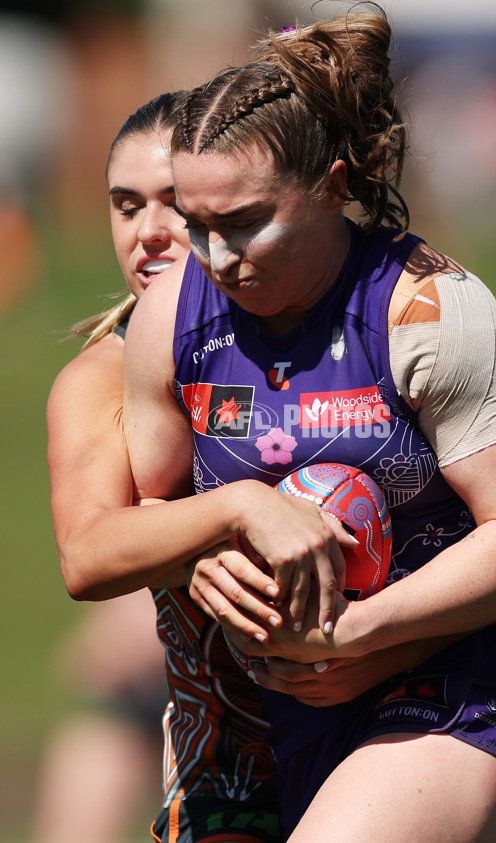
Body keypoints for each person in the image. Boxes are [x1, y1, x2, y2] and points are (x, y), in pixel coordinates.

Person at [120, 8, 496, 843]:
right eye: (198, 224)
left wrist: (362, 635)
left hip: (456, 694)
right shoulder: (171, 315)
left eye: (248, 221)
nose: (218, 258)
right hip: (281, 720)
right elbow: (147, 513)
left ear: (333, 186)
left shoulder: (428, 309)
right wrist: (204, 555)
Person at [46, 91, 288, 843]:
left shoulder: (331, 339)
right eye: (125, 205)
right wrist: (238, 508)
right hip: (234, 774)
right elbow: (87, 552)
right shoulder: (101, 377)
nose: (148, 233)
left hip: (405, 721)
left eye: (174, 205)